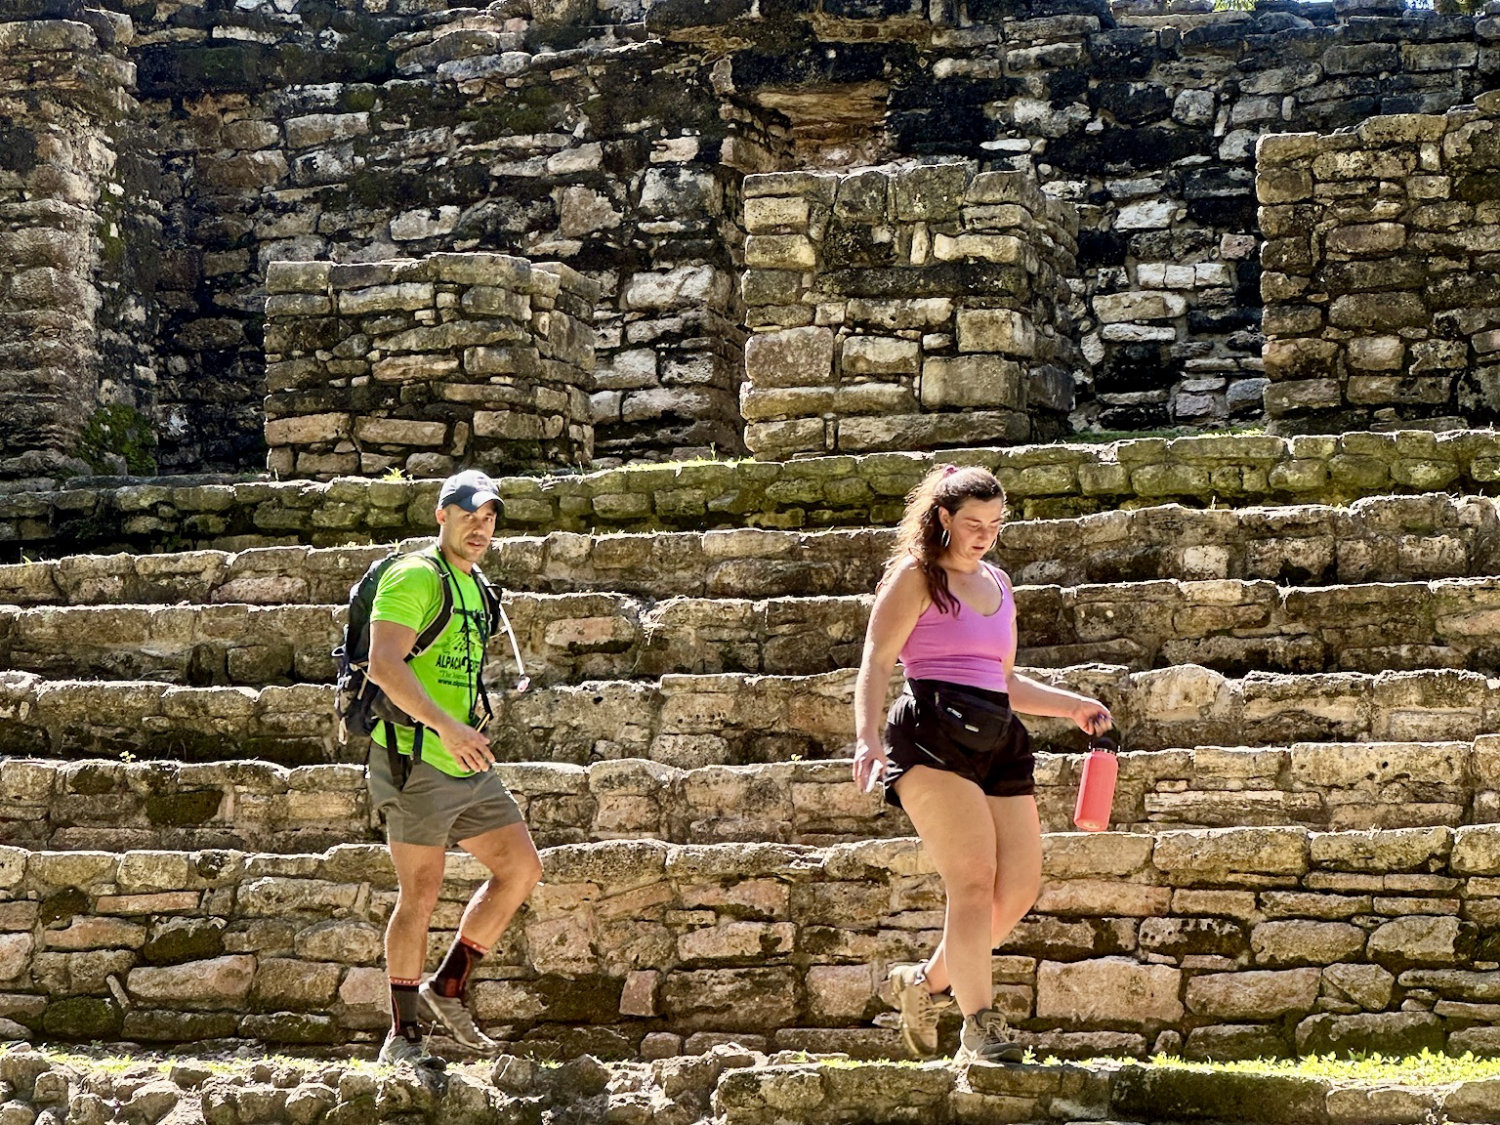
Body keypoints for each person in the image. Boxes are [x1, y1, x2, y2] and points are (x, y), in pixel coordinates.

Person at [852, 464, 1112, 1065]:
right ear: (942, 518)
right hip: (931, 734)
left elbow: (1002, 680)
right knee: (972, 882)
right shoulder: (916, 578)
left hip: (999, 737)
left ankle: (922, 985)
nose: (986, 534)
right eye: (973, 523)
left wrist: (1072, 704)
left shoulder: (998, 582)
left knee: (1018, 888)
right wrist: (867, 739)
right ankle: (980, 1027)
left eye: (996, 523)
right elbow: (877, 660)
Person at [365, 469, 543, 1067]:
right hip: (414, 757)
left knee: (520, 868)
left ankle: (448, 986)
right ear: (442, 515)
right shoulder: (415, 575)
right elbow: (383, 665)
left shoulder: (477, 585)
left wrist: (465, 728)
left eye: (490, 517)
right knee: (420, 892)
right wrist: (446, 726)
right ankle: (403, 1034)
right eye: (470, 513)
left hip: (466, 759)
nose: (481, 526)